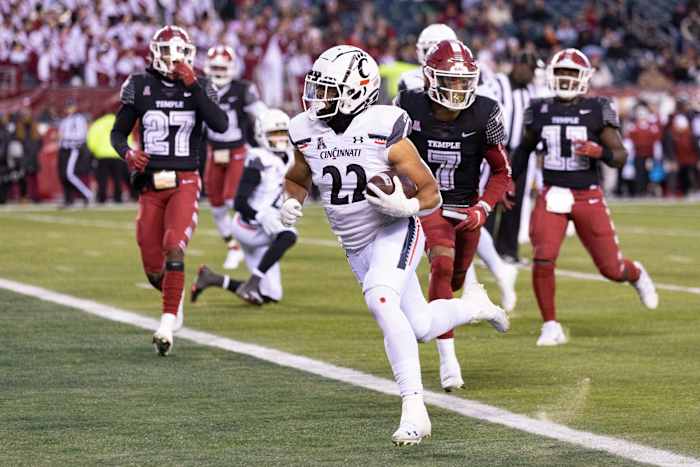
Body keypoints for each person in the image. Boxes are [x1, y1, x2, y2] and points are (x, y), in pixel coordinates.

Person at [282, 45, 509, 446]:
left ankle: (414, 408)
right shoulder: (305, 129)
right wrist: (289, 201)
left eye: (329, 90)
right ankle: (474, 306)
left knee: (380, 299)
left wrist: (405, 205)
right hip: (354, 244)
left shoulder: (383, 125)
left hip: (394, 229)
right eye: (317, 88)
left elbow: (430, 193)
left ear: (357, 90)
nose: (318, 98)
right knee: (419, 325)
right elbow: (299, 177)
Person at [510, 48, 659, 346]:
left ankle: (635, 272)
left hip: (587, 196)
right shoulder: (539, 109)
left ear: (584, 78)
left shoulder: (597, 109)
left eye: (571, 73)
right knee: (542, 257)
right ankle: (550, 325)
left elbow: (619, 155)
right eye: (561, 72)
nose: (565, 78)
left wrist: (599, 152)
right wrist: (510, 184)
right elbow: (524, 149)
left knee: (611, 269)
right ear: (551, 76)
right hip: (553, 193)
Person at [396, 40, 512, 392]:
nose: (458, 88)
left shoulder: (485, 112)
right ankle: (449, 362)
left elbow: (502, 172)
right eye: (451, 80)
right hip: (429, 204)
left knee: (455, 278)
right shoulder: (408, 105)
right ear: (430, 79)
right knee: (441, 266)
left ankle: (476, 305)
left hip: (466, 206)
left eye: (464, 81)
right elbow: (388, 154)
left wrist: (484, 207)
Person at [110, 25, 228, 356]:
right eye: (168, 52)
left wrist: (192, 84)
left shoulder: (200, 85)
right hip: (150, 184)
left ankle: (166, 326)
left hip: (185, 180)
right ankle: (173, 302)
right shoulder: (139, 85)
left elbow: (220, 124)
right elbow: (118, 134)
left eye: (181, 52)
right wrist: (128, 154)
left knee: (174, 246)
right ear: (155, 54)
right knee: (152, 268)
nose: (175, 59)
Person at [191, 109, 296, 305]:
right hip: (248, 226)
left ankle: (211, 278)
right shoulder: (259, 159)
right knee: (288, 235)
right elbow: (239, 203)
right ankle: (254, 280)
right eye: (275, 134)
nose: (281, 139)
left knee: (269, 296)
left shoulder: (291, 157)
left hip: (265, 223)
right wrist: (260, 216)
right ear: (261, 135)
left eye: (284, 133)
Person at [204, 45, 268, 270]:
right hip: (213, 150)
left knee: (232, 198)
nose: (219, 71)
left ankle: (257, 232)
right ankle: (233, 247)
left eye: (223, 67)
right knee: (216, 205)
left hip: (237, 149)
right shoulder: (201, 88)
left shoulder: (243, 89)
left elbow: (261, 113)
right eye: (215, 67)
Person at [397, 23, 457, 94]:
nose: (436, 58)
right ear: (420, 52)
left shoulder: (466, 76)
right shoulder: (410, 79)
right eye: (430, 51)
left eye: (444, 52)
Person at [58, 100, 92, 206]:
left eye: (71, 106)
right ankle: (68, 198)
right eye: (67, 107)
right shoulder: (64, 121)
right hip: (64, 149)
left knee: (69, 174)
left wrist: (65, 137)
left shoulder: (79, 119)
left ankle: (87, 194)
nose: (69, 109)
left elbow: (81, 135)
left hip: (74, 149)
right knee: (63, 175)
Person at [88, 112, 127, 203]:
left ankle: (102, 198)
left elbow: (91, 139)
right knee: (117, 178)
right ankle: (118, 198)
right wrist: (125, 151)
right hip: (117, 154)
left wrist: (93, 151)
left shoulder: (98, 123)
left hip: (102, 155)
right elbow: (127, 136)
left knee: (102, 178)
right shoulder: (120, 122)